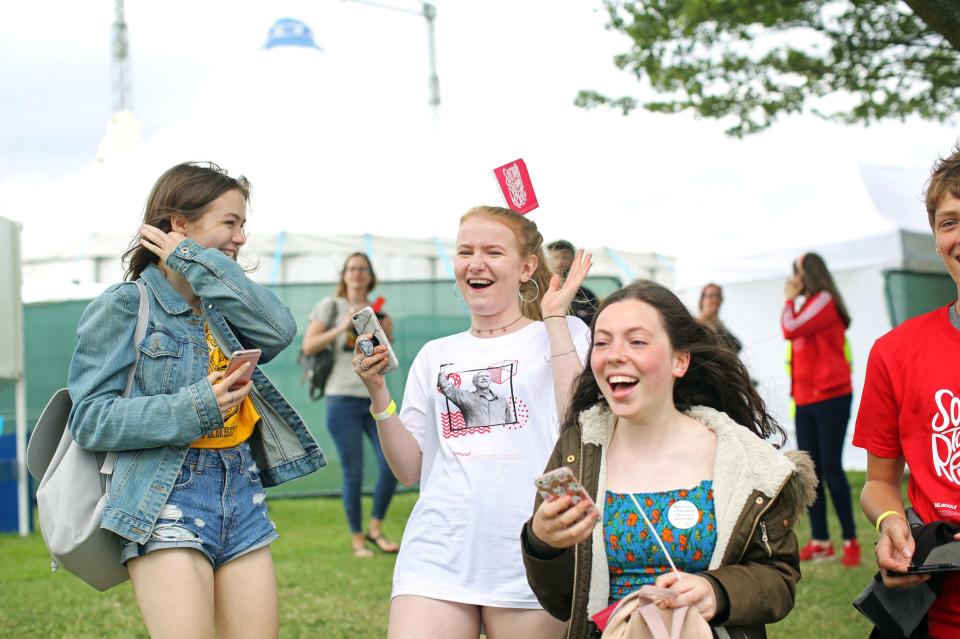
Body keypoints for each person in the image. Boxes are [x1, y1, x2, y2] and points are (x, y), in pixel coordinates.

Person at [67, 162, 325, 637]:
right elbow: (90, 418)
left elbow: (281, 330)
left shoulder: (223, 306)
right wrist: (196, 406)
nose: (241, 237)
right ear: (179, 225)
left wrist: (197, 263)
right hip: (166, 495)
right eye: (230, 222)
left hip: (241, 489)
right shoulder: (124, 304)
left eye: (243, 223)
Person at [521, 281, 815, 639]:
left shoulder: (743, 460)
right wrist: (544, 544)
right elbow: (562, 600)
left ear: (680, 360)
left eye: (637, 341)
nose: (614, 354)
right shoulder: (578, 450)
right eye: (602, 342)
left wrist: (718, 591)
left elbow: (778, 580)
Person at [353, 205, 593, 639]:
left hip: (532, 555)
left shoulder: (566, 332)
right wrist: (378, 394)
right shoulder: (433, 354)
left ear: (527, 267)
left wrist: (554, 317)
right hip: (437, 556)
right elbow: (409, 469)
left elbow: (576, 421)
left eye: (492, 252)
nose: (475, 263)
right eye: (465, 252)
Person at [854, 144, 960, 637]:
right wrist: (891, 523)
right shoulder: (895, 351)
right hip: (933, 615)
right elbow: (878, 482)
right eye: (949, 222)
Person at [302, 252, 399, 558]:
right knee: (353, 471)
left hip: (374, 398)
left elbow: (384, 361)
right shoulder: (329, 306)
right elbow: (309, 345)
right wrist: (343, 327)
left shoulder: (379, 313)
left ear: (370, 276)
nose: (357, 274)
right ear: (344, 275)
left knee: (391, 466)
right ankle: (358, 540)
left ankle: (375, 528)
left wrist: (382, 337)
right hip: (340, 398)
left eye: (362, 269)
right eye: (352, 269)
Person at [781, 252, 859, 566]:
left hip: (831, 397)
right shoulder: (811, 304)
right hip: (805, 398)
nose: (793, 281)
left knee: (832, 468)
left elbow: (791, 327)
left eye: (796, 273)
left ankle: (851, 541)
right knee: (811, 473)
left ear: (808, 274)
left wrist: (788, 300)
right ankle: (821, 541)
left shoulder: (823, 300)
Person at [547, 239, 599, 327]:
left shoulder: (586, 296)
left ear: (574, 259)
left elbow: (594, 323)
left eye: (564, 257)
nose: (560, 262)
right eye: (555, 257)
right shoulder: (540, 292)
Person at [439, 369, 516, 427]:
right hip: (475, 444)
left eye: (487, 376)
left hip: (499, 443)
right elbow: (447, 389)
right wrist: (442, 372)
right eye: (480, 376)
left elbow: (510, 423)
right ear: (474, 382)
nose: (484, 378)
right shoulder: (466, 397)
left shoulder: (502, 400)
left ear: (490, 380)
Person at [698, 282, 743, 353]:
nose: (715, 300)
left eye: (718, 296)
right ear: (702, 300)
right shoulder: (699, 325)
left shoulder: (718, 323)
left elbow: (737, 346)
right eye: (710, 296)